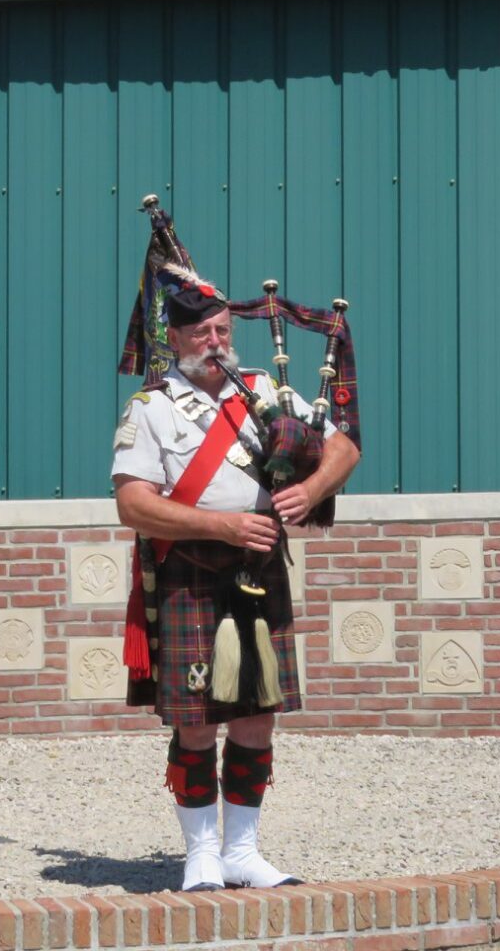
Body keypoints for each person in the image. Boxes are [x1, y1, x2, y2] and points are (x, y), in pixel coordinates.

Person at [111, 281, 360, 891]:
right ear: (174, 339)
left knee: (257, 715)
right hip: (189, 574)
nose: (215, 341)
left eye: (223, 329)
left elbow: (345, 446)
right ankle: (200, 854)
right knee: (195, 720)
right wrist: (221, 524)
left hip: (259, 572)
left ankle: (242, 851)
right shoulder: (152, 408)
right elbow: (133, 504)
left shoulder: (268, 394)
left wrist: (314, 489)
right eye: (202, 332)